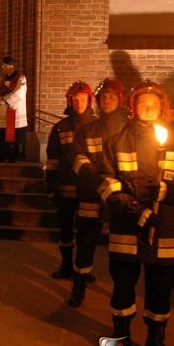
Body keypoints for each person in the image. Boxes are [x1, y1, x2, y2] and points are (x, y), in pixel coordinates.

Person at [97, 80, 174, 346]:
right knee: (123, 285)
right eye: (143, 103)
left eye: (153, 104)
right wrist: (130, 206)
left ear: (161, 107)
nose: (148, 108)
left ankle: (156, 341)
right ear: (134, 107)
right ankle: (121, 340)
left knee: (160, 288)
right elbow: (105, 180)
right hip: (126, 226)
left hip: (164, 227)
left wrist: (169, 190)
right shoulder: (118, 141)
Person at [68, 78, 128, 307]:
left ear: (120, 100)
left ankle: (122, 294)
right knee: (85, 243)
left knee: (122, 247)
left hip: (120, 196)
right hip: (91, 193)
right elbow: (78, 159)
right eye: (103, 96)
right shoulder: (87, 130)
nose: (107, 100)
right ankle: (78, 287)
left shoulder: (129, 130)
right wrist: (97, 179)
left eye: (112, 96)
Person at [45, 81, 96, 280]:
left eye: (82, 99)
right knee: (65, 229)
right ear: (69, 101)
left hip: (89, 189)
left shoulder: (97, 126)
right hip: (66, 187)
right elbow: (52, 159)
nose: (78, 103)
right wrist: (50, 184)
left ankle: (84, 270)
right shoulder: (60, 128)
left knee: (87, 232)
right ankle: (66, 265)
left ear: (89, 100)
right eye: (75, 99)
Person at [0, 57, 28, 162]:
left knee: (12, 136)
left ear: (10, 66)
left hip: (14, 111)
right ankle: (0, 156)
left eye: (4, 66)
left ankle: (11, 157)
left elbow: (20, 92)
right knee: (1, 135)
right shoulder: (1, 79)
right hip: (2, 111)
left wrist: (5, 100)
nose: (2, 67)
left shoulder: (21, 78)